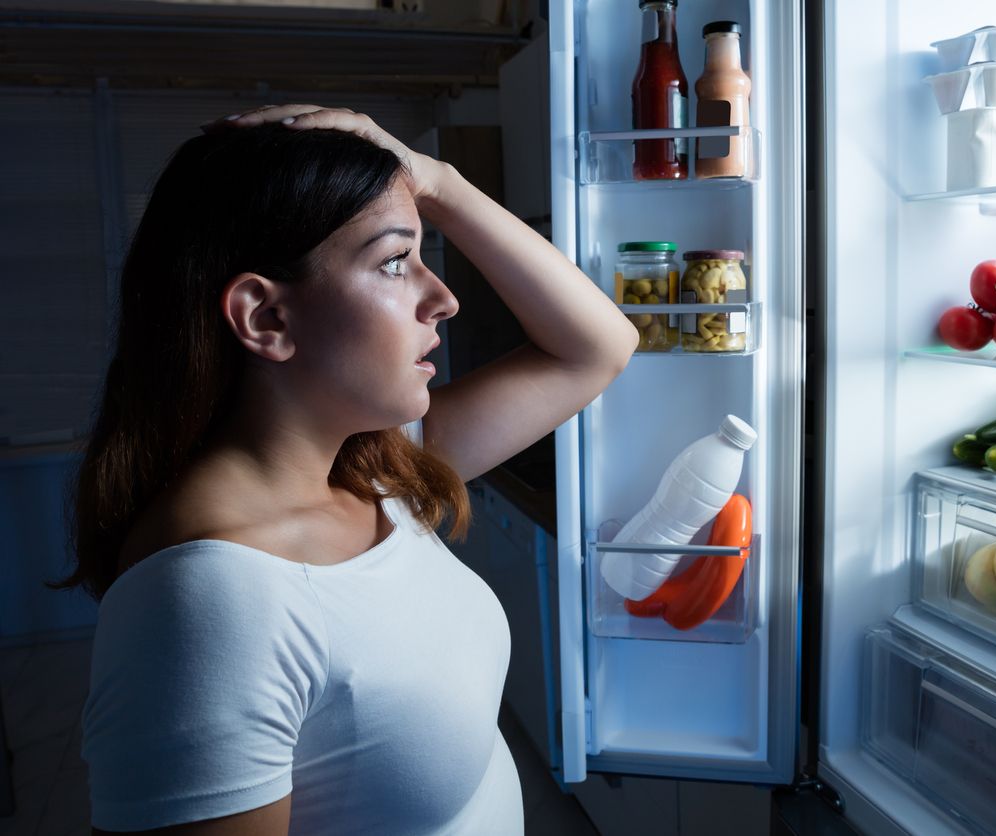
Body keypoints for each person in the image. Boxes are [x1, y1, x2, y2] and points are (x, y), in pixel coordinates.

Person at [58, 104, 637, 835]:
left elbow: (599, 346)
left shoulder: (374, 472)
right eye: (396, 261)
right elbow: (593, 350)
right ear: (265, 318)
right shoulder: (211, 600)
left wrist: (440, 184)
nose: (444, 298)